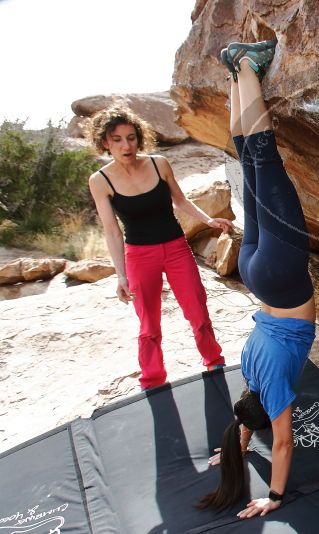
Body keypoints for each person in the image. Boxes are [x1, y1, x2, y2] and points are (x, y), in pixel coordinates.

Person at [198, 39, 316, 519]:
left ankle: (246, 63)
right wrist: (235, 443)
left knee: (265, 161)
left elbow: (283, 443)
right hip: (253, 273)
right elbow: (246, 413)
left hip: (283, 278)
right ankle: (233, 78)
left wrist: (275, 497)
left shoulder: (276, 391)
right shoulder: (248, 370)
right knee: (248, 162)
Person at [87, 106, 234, 390]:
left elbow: (180, 200)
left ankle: (214, 361)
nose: (126, 145)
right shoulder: (100, 181)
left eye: (131, 137)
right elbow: (112, 231)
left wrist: (207, 219)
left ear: (139, 137)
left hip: (177, 248)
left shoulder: (158, 164)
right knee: (149, 325)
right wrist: (121, 275)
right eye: (116, 139)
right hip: (140, 257)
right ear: (105, 142)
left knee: (198, 311)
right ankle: (153, 381)